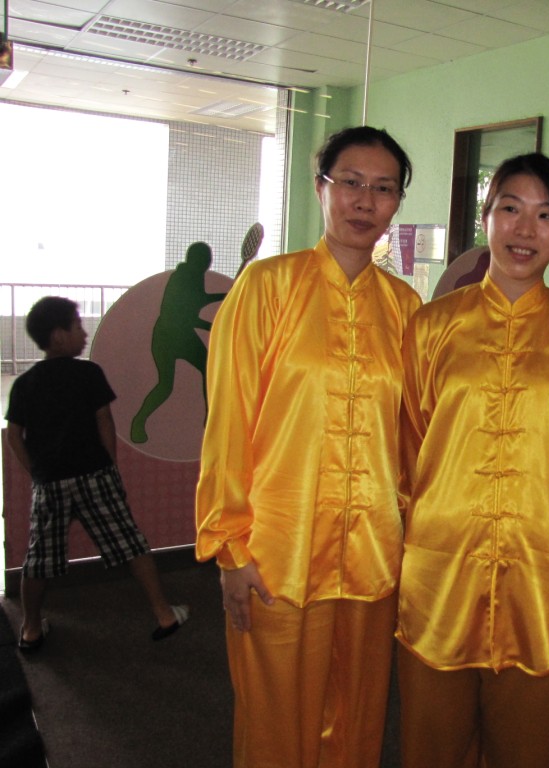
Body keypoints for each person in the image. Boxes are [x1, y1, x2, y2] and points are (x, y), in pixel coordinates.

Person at [195, 126, 421, 768]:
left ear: (396, 204)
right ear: (321, 188)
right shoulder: (267, 287)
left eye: (384, 188)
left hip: (373, 555)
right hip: (277, 555)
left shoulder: (406, 307)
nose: (365, 200)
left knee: (356, 718)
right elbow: (228, 422)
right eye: (351, 182)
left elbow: (412, 437)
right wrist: (229, 546)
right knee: (275, 723)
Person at [397, 152, 549, 768]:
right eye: (511, 209)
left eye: (545, 215)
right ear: (486, 218)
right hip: (441, 569)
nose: (525, 230)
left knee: (526, 747)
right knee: (430, 744)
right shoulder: (433, 326)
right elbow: (408, 447)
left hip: (543, 578)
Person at [5, 296, 189, 653]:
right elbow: (104, 420)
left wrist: (36, 473)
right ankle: (164, 614)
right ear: (59, 336)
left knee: (39, 559)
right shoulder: (88, 373)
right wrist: (111, 467)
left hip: (50, 483)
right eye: (78, 326)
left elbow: (14, 435)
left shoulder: (25, 384)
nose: (84, 333)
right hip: (95, 475)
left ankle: (31, 629)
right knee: (132, 544)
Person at [131, 241, 227, 444]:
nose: (208, 263)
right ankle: (139, 421)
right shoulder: (182, 278)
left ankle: (210, 420)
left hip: (183, 335)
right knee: (165, 385)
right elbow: (188, 316)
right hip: (167, 337)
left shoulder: (195, 275)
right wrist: (214, 325)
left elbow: (199, 300)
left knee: (208, 370)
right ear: (195, 260)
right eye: (205, 259)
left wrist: (225, 296)